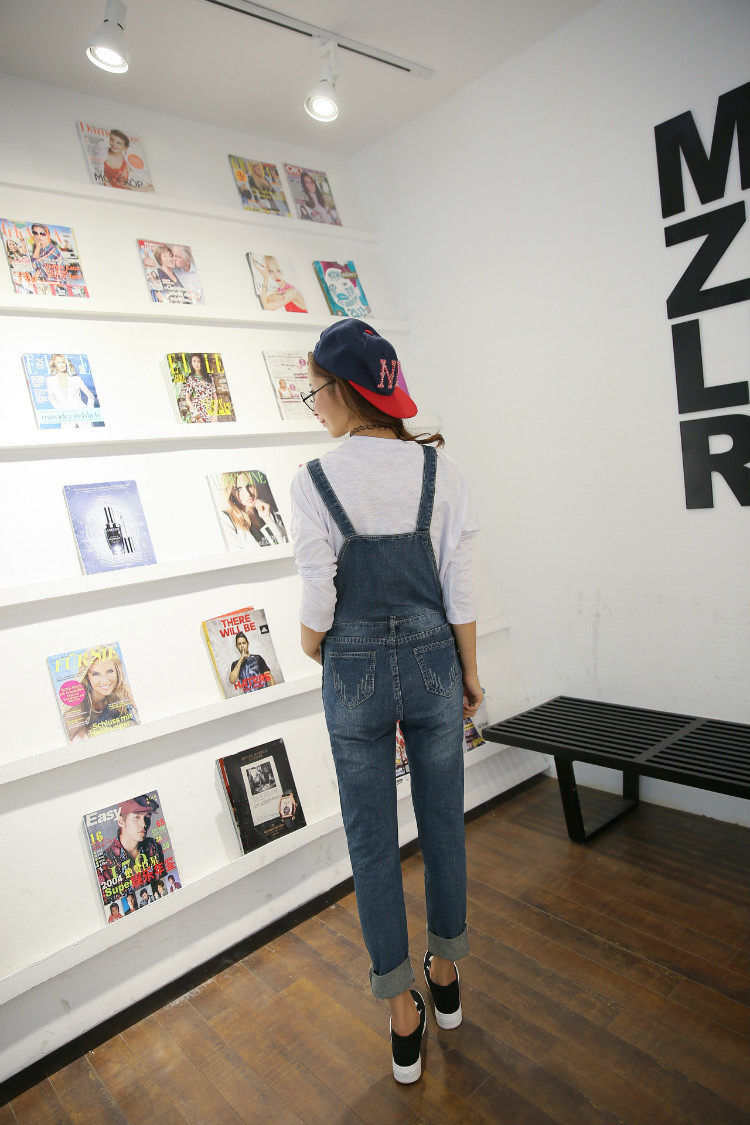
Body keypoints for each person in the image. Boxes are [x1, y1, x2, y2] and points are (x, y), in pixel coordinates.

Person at [289, 318, 482, 1085]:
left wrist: (316, 646)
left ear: (342, 390)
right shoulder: (441, 470)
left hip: (354, 669)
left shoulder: (313, 480)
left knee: (372, 842)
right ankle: (446, 970)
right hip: (437, 659)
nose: (313, 405)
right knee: (444, 825)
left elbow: (318, 599)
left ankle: (402, 1014)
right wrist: (470, 672)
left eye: (313, 391)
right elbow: (459, 584)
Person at [97, 795, 166, 897]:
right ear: (121, 822)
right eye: (136, 817)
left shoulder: (153, 846)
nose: (144, 824)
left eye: (147, 817)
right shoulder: (104, 863)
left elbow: (162, 881)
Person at [68, 647, 138, 741]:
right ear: (87, 676)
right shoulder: (78, 701)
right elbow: (73, 740)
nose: (105, 681)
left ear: (117, 671)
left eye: (110, 671)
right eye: (95, 674)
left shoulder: (122, 693)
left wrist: (128, 690)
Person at [219, 470, 288, 548]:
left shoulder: (267, 511)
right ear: (231, 493)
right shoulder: (227, 519)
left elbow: (284, 544)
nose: (248, 494)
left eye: (249, 485)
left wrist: (267, 518)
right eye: (238, 489)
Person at [45, 353, 96, 428]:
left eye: (63, 362)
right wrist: (60, 411)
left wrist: (89, 411)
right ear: (55, 364)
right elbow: (51, 398)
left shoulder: (76, 379)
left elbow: (91, 396)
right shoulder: (51, 380)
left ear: (66, 363)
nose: (61, 365)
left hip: (82, 414)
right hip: (66, 417)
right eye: (58, 362)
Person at [181, 353, 218, 423]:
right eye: (194, 361)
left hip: (210, 412)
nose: (196, 364)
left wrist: (215, 414)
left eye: (199, 361)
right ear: (191, 364)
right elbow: (187, 398)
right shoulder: (191, 379)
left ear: (202, 363)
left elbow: (215, 397)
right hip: (198, 413)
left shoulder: (209, 378)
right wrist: (196, 414)